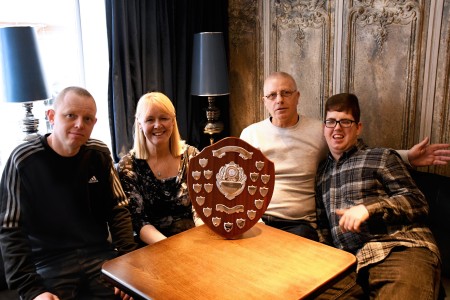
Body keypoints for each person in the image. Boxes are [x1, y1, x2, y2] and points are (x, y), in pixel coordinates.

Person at [240, 71, 450, 241]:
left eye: (286, 93)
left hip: (299, 224)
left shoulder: (321, 130)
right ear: (264, 101)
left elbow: (358, 151)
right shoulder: (250, 134)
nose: (279, 100)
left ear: (297, 96)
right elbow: (241, 183)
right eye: (272, 95)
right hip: (256, 218)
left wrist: (408, 157)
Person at [0, 86, 137, 300]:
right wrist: (32, 291)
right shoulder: (23, 160)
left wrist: (128, 266)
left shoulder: (99, 154)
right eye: (70, 115)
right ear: (52, 116)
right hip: (48, 262)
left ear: (94, 123)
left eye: (87, 119)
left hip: (98, 256)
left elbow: (118, 209)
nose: (79, 124)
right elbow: (10, 230)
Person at [315, 93, 441, 299]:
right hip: (350, 266)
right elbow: (322, 227)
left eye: (345, 121)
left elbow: (416, 201)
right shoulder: (321, 175)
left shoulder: (381, 157)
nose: (337, 127)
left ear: (358, 128)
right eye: (331, 121)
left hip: (398, 250)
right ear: (324, 128)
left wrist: (368, 208)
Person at [117, 92, 199, 246]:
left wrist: (203, 240)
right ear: (140, 124)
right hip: (153, 246)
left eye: (164, 118)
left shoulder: (192, 156)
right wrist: (169, 248)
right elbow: (139, 221)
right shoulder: (128, 166)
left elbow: (201, 207)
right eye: (149, 119)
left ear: (173, 121)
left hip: (194, 239)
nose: (157, 125)